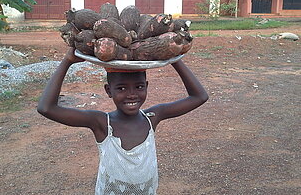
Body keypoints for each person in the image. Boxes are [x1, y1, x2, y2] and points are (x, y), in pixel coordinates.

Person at [37, 47, 208, 195]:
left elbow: (199, 96)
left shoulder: (153, 117)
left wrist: (174, 59)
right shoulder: (102, 123)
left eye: (139, 87)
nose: (132, 94)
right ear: (108, 90)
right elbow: (46, 108)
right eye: (121, 88)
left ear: (147, 86)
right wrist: (67, 60)